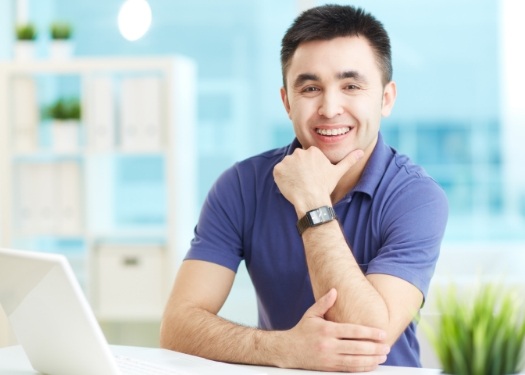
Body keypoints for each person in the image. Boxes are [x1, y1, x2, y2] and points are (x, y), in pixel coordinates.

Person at [160, 4, 448, 373]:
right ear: (287, 102)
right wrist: (283, 348)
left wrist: (312, 201)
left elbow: (364, 336)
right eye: (311, 88)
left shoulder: (416, 197)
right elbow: (177, 327)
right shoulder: (241, 186)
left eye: (351, 86)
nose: (329, 108)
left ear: (386, 98)